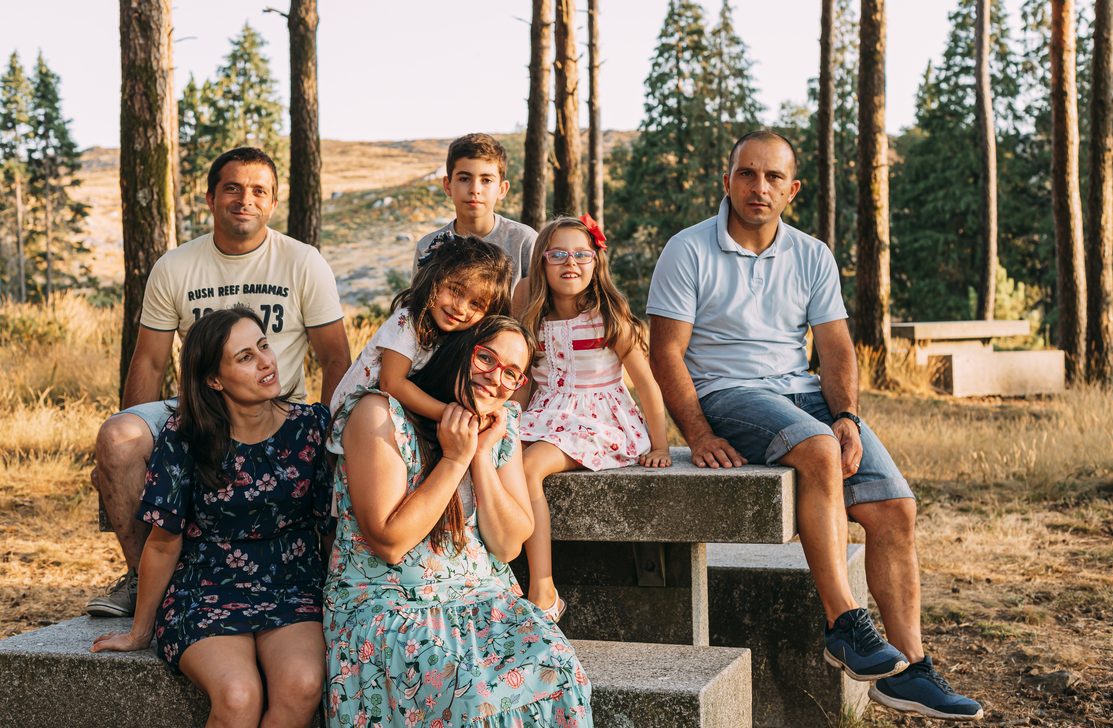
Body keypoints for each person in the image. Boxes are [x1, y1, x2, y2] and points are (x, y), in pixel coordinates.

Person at [646, 131, 983, 722]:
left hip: (803, 392)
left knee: (894, 510)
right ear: (726, 181)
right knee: (820, 451)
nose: (759, 187)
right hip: (731, 392)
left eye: (773, 177)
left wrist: (849, 415)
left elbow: (834, 349)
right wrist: (697, 433)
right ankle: (845, 626)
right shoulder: (687, 250)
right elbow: (666, 352)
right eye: (747, 174)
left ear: (792, 189)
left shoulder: (812, 254)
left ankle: (910, 669)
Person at [88, 146, 351, 619]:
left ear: (273, 202)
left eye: (258, 191)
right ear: (210, 198)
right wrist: (137, 447)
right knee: (117, 437)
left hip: (276, 409)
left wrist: (329, 439)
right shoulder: (176, 266)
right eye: (232, 188)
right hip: (201, 404)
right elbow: (148, 362)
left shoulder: (302, 262)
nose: (244, 199)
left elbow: (336, 358)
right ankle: (143, 581)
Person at [322, 316, 592, 728]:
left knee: (561, 670)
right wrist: (454, 459)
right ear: (458, 350)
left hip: (483, 602)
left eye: (511, 374)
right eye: (486, 357)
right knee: (470, 696)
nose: (495, 378)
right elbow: (391, 543)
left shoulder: (500, 427)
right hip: (390, 607)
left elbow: (508, 545)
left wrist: (481, 456)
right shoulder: (379, 415)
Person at [91, 306, 335, 728]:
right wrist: (140, 631)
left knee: (303, 684)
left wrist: (339, 603)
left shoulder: (310, 427)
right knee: (239, 697)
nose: (265, 362)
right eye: (245, 357)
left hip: (292, 583)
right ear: (214, 379)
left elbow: (329, 530)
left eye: (263, 346)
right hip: (204, 587)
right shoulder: (186, 435)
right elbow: (164, 542)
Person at [512, 215, 672, 620]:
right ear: (541, 263)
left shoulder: (607, 317)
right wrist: (508, 419)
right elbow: (527, 384)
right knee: (494, 454)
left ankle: (543, 588)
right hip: (547, 411)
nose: (571, 263)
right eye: (559, 254)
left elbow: (647, 384)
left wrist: (661, 445)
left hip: (597, 418)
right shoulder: (534, 317)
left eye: (582, 254)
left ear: (595, 261)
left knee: (529, 467)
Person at [327, 234, 512, 420]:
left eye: (475, 304)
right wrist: (450, 415)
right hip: (351, 419)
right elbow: (392, 384)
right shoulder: (409, 321)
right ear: (434, 279)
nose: (460, 307)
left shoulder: (455, 335)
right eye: (455, 290)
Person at [413, 133, 538, 285]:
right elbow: (417, 306)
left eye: (486, 180)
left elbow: (542, 303)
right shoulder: (427, 247)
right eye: (464, 179)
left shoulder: (524, 241)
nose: (474, 189)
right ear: (447, 185)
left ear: (502, 190)